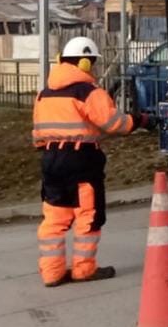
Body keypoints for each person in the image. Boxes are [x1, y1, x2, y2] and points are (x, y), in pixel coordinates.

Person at [32, 36, 151, 287]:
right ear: (85, 63)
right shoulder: (88, 92)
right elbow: (113, 123)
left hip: (50, 159)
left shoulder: (44, 94)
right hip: (80, 160)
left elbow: (38, 133)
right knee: (88, 214)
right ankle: (84, 269)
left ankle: (52, 273)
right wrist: (139, 121)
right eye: (93, 63)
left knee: (55, 217)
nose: (94, 69)